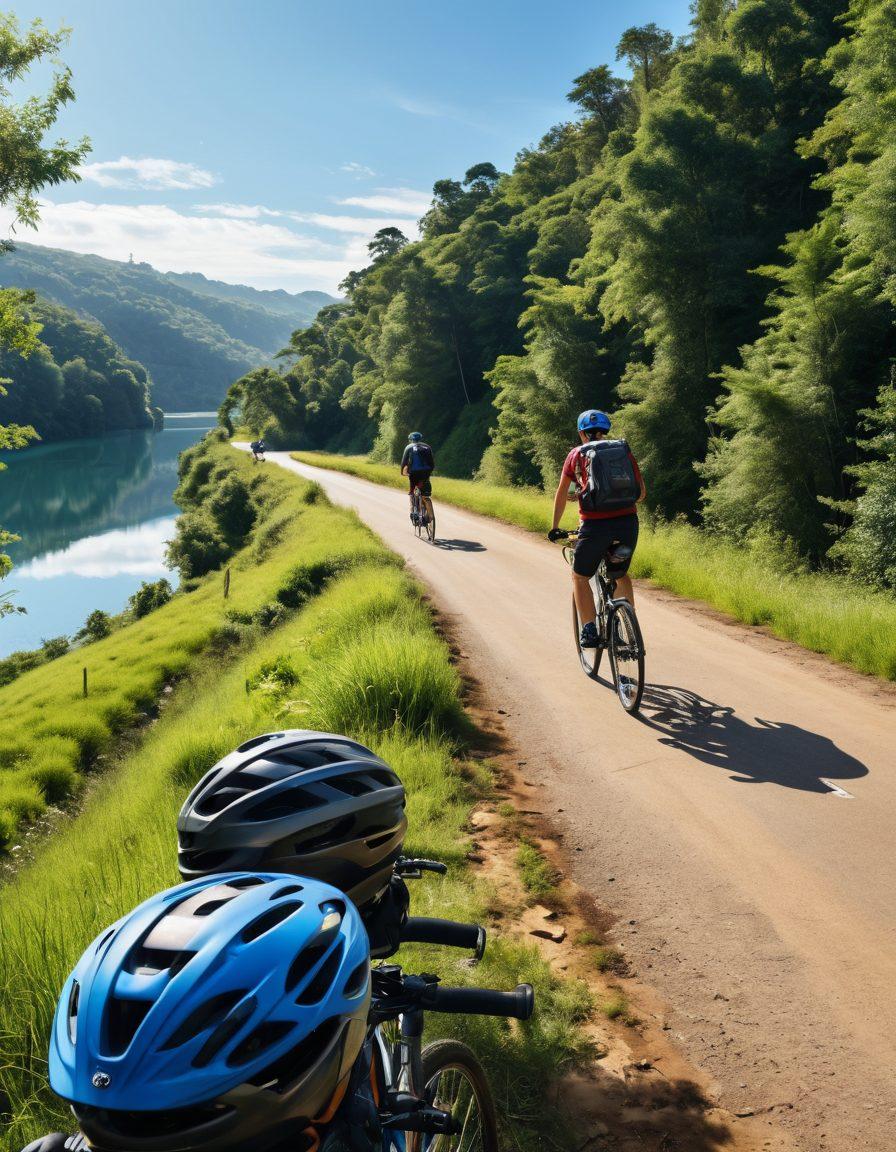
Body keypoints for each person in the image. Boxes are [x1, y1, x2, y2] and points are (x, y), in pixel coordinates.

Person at [548, 409, 646, 648]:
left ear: (582, 433)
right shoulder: (622, 450)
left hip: (594, 527)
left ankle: (590, 630)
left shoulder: (576, 455)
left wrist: (555, 527)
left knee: (580, 576)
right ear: (605, 431)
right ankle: (627, 626)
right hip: (627, 525)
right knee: (619, 574)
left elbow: (562, 494)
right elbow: (641, 493)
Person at [400, 431, 435, 523]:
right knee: (425, 494)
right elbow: (431, 463)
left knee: (412, 493)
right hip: (426, 473)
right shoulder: (427, 447)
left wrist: (402, 472)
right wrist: (429, 472)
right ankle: (430, 515)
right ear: (420, 438)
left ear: (411, 439)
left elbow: (404, 462)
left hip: (414, 474)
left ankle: (413, 513)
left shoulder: (409, 447)